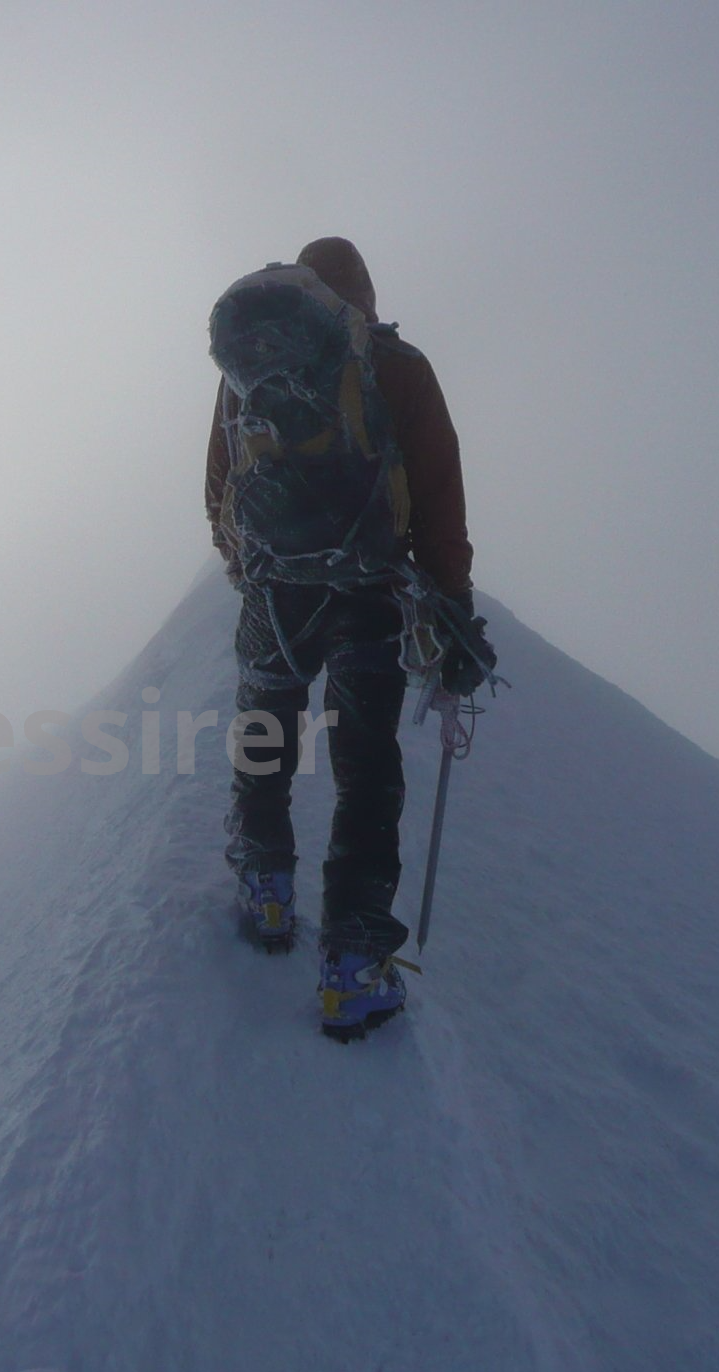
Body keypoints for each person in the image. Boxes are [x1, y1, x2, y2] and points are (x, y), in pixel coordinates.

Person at [204, 236, 478, 1039]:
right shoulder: (401, 368)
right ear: (363, 294)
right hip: (371, 594)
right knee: (366, 769)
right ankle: (354, 964)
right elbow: (439, 501)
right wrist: (453, 610)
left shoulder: (245, 374)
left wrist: (248, 569)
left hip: (277, 595)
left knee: (264, 733)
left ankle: (266, 889)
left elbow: (218, 486)